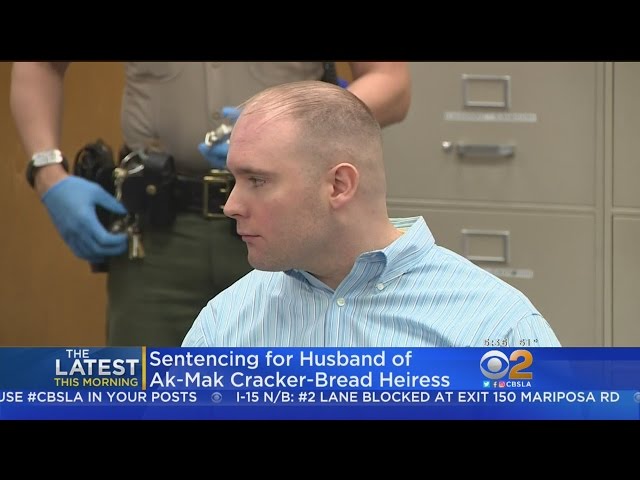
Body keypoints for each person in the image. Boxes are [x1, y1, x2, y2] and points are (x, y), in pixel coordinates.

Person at [10, 62, 412, 347]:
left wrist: (292, 128)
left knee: (289, 392)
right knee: (147, 397)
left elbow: (391, 82)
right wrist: (49, 176)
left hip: (290, 227)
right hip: (156, 232)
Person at [182, 80, 561, 348]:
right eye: (234, 179)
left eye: (257, 180)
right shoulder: (224, 323)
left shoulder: (495, 329)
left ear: (339, 185)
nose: (231, 206)